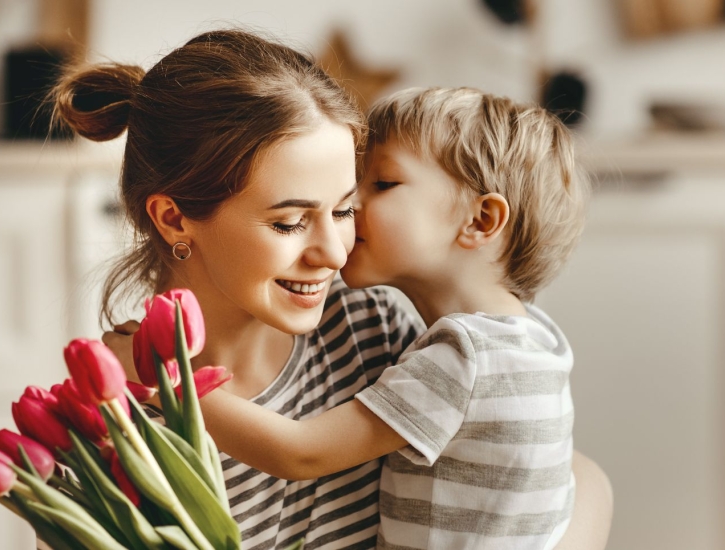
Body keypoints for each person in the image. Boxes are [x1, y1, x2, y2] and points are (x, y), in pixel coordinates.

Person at [58, 29, 610, 550]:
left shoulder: (376, 333)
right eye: (290, 222)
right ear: (175, 219)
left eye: (345, 209)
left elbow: (570, 476)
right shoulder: (113, 429)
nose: (336, 251)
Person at [196, 86, 588, 549]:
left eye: (381, 184)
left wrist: (161, 379)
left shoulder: (465, 360)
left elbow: (301, 452)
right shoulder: (535, 339)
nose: (350, 203)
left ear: (481, 220)